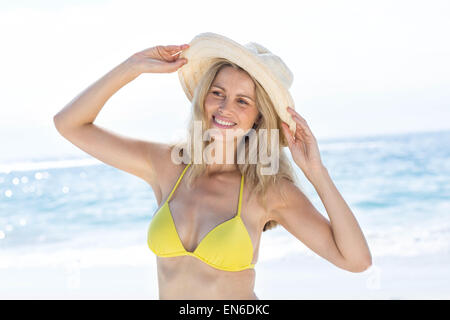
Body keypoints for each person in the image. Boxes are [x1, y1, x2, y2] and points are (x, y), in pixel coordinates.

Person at [53, 32, 372, 300]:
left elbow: (356, 260)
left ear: (257, 118)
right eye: (217, 93)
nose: (224, 107)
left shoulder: (268, 191)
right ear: (202, 99)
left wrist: (316, 172)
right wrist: (132, 66)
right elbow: (69, 124)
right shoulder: (168, 166)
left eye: (242, 101)